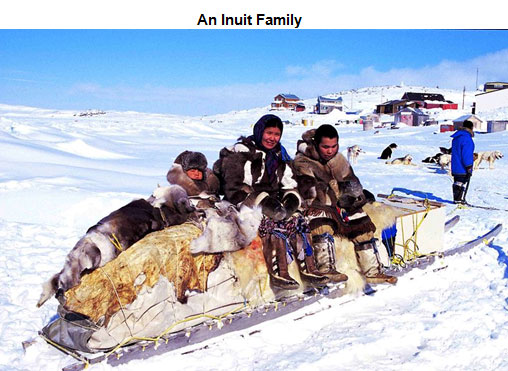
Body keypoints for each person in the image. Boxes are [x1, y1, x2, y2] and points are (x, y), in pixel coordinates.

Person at [213, 114, 332, 290]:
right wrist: (262, 201)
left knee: (297, 219)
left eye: (277, 134)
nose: (272, 138)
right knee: (272, 224)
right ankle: (279, 272)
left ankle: (309, 268)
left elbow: (288, 182)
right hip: (244, 204)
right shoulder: (241, 154)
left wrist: (291, 198)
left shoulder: (278, 155)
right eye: (269, 133)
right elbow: (234, 188)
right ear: (260, 131)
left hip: (273, 202)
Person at [293, 124, 397, 286]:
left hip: (339, 204)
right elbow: (309, 191)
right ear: (316, 145)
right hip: (315, 205)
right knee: (321, 222)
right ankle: (326, 267)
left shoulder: (338, 159)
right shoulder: (303, 161)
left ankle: (373, 271)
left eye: (334, 146)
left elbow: (351, 181)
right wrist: (336, 194)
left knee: (362, 223)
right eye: (326, 147)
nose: (330, 151)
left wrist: (352, 197)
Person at [451, 120, 475, 204]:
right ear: (471, 128)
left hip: (455, 165)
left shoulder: (457, 138)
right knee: (461, 183)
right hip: (463, 167)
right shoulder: (467, 139)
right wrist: (469, 166)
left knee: (457, 182)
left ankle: (457, 199)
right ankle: (459, 200)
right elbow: (467, 154)